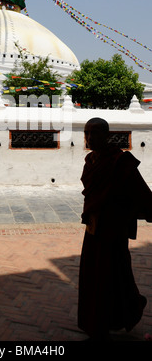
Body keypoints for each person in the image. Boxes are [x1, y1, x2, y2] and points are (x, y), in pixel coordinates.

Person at [78, 117, 152, 340]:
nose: (91, 138)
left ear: (107, 136)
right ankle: (103, 318)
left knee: (114, 273)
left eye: (96, 133)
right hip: (93, 227)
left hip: (113, 229)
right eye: (87, 133)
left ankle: (125, 310)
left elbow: (142, 193)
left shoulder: (120, 161)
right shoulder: (90, 161)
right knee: (93, 274)